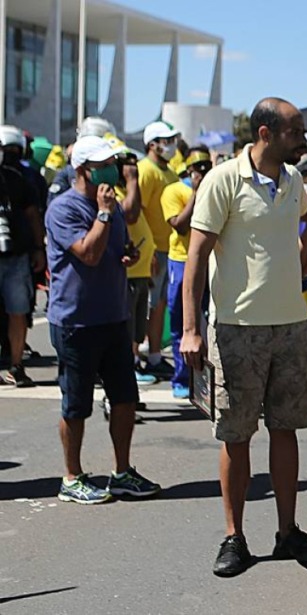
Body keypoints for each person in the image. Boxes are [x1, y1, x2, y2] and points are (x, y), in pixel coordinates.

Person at [181, 98, 307, 577]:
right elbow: (196, 258)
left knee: (286, 428)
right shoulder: (223, 179)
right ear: (266, 133)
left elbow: (303, 232)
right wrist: (190, 330)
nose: (303, 139)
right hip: (237, 330)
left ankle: (287, 532)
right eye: (295, 130)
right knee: (236, 435)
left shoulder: (295, 182)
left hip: (290, 326)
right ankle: (233, 537)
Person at [46, 135, 160, 504]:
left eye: (113, 162)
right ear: (82, 170)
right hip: (76, 321)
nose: (111, 169)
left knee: (125, 398)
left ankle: (122, 471)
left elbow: (112, 249)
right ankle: (72, 477)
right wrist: (105, 213)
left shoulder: (106, 206)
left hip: (113, 315)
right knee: (76, 404)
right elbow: (88, 254)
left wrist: (125, 253)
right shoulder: (64, 209)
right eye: (102, 165)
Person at [162, 148, 212, 399]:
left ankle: (206, 377)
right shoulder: (173, 191)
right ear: (189, 170)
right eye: (198, 167)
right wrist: (196, 193)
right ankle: (181, 378)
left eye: (207, 166)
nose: (203, 171)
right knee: (181, 321)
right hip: (181, 262)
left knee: (210, 321)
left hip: (210, 261)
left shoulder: (216, 187)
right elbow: (180, 226)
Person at [109, 141, 157, 387]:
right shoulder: (113, 193)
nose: (131, 168)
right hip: (125, 274)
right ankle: (124, 377)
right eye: (125, 164)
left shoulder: (129, 190)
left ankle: (133, 364)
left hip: (140, 271)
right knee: (126, 329)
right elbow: (130, 214)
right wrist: (131, 181)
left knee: (138, 328)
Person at [0, 126, 45, 386]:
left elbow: (33, 215)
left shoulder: (17, 179)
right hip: (17, 258)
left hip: (16, 257)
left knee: (18, 311)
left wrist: (39, 249)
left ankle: (16, 366)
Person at [137, 120, 182, 378]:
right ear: (152, 144)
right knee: (148, 305)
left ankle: (154, 355)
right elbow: (138, 211)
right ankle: (140, 355)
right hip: (153, 250)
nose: (171, 145)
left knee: (159, 305)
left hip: (170, 249)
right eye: (166, 141)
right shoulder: (146, 171)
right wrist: (149, 249)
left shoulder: (170, 172)